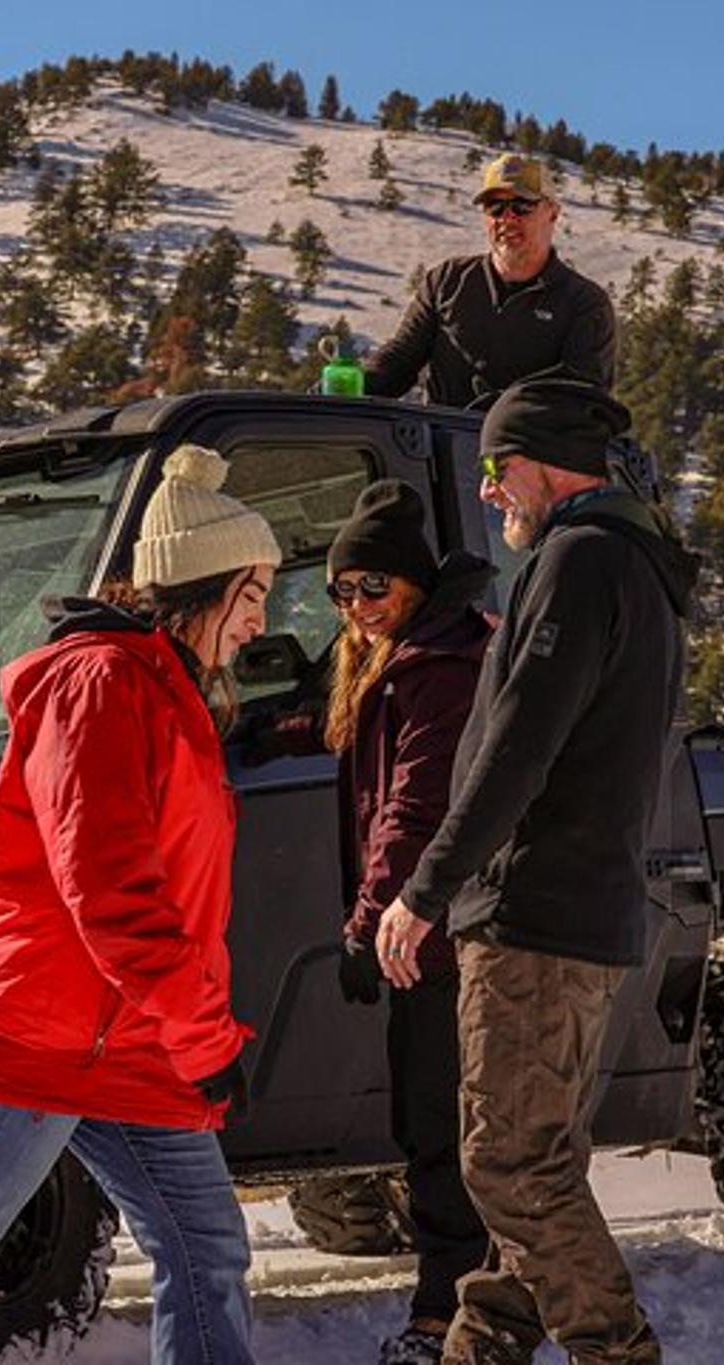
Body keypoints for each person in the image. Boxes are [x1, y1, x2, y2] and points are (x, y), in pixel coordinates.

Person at [0, 443, 282, 1365]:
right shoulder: (100, 681)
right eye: (254, 594)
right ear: (203, 585)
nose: (260, 622)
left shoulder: (166, 690)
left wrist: (183, 1029)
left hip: (127, 1038)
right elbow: (108, 888)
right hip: (43, 1031)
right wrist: (204, 1034)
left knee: (206, 1245)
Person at [374, 375, 696, 1365]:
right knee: (529, 1163)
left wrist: (423, 891)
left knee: (512, 1168)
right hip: (575, 917)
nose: (483, 494)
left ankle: (616, 1353)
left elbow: (517, 747)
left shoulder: (580, 560)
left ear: (551, 465)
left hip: (533, 918)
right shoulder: (626, 563)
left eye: (494, 470)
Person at [322, 480, 494, 1365]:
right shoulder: (384, 662)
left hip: (441, 931)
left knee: (441, 1126)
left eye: (373, 588)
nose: (357, 606)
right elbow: (347, 750)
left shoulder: (443, 670)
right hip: (415, 931)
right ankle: (473, 1293)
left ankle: (449, 1313)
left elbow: (413, 806)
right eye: (342, 590)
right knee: (429, 1120)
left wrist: (366, 922)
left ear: (417, 586)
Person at [365, 154, 616, 407]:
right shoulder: (446, 281)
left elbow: (583, 401)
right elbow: (399, 361)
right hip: (438, 439)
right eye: (495, 207)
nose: (507, 218)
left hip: (528, 443)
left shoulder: (584, 304)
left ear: (552, 213)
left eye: (522, 205)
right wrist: (345, 388)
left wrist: (507, 415)